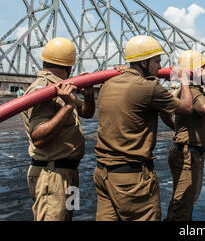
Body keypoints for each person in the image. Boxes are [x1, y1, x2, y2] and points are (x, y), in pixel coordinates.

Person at [93, 35, 193, 221]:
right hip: (132, 180)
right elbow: (186, 107)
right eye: (156, 61)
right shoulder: (149, 89)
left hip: (103, 174)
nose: (159, 66)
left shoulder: (108, 84)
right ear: (145, 62)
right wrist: (184, 81)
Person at [22, 37, 95, 221]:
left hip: (69, 174)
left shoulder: (61, 87)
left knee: (68, 217)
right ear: (70, 66)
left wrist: (88, 96)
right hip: (53, 177)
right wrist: (68, 106)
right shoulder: (45, 89)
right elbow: (38, 136)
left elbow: (86, 113)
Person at [165, 50, 205, 221]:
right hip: (187, 155)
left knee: (184, 201)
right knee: (183, 204)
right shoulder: (193, 91)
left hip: (189, 152)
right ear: (197, 69)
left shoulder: (194, 91)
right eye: (204, 67)